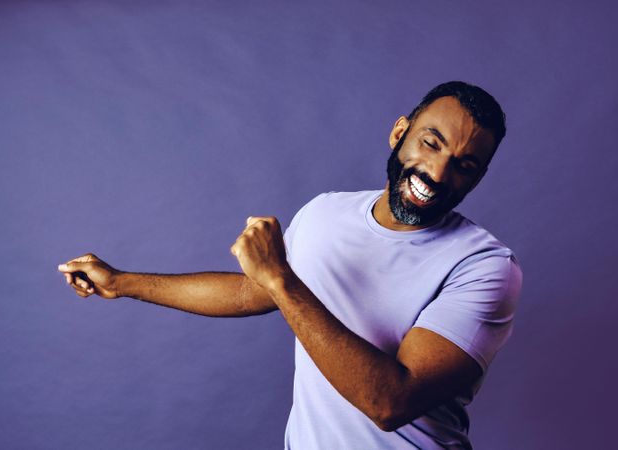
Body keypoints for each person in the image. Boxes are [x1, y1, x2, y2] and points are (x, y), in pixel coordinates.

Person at [58, 81, 523, 449]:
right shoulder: (325, 212)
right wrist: (120, 282)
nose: (438, 173)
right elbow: (250, 292)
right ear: (399, 132)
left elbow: (389, 402)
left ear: (477, 178)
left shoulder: (484, 267)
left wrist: (280, 278)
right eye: (431, 143)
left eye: (464, 165)